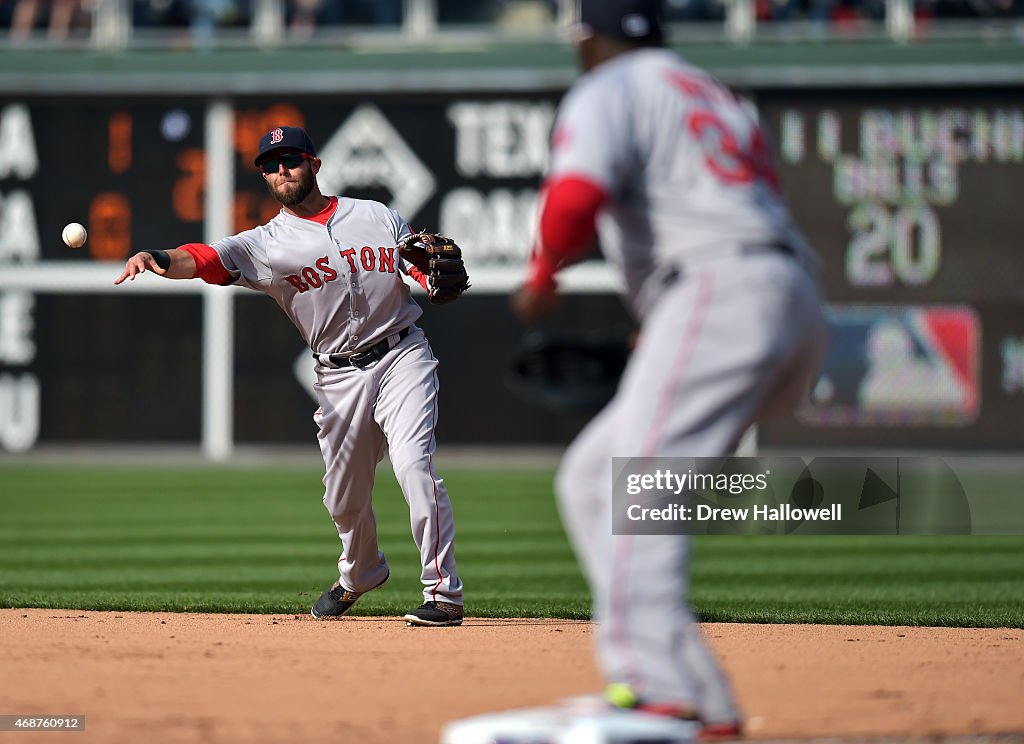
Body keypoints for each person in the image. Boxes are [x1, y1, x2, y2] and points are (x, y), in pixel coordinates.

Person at [512, 0, 828, 738]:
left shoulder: (608, 88)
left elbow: (574, 197)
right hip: (789, 294)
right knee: (594, 479)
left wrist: (544, 275)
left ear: (588, 36)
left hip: (717, 287)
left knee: (637, 485)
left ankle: (653, 690)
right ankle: (703, 699)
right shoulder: (708, 91)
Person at [115, 125, 466, 628]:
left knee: (414, 465)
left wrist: (433, 277)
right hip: (339, 377)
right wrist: (158, 259)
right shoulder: (266, 243)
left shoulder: (374, 215)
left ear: (315, 165)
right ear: (264, 175)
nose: (282, 171)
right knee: (343, 498)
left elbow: (421, 267)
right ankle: (361, 571)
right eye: (271, 165)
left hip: (401, 355)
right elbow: (207, 258)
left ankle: (443, 593)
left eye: (292, 160)